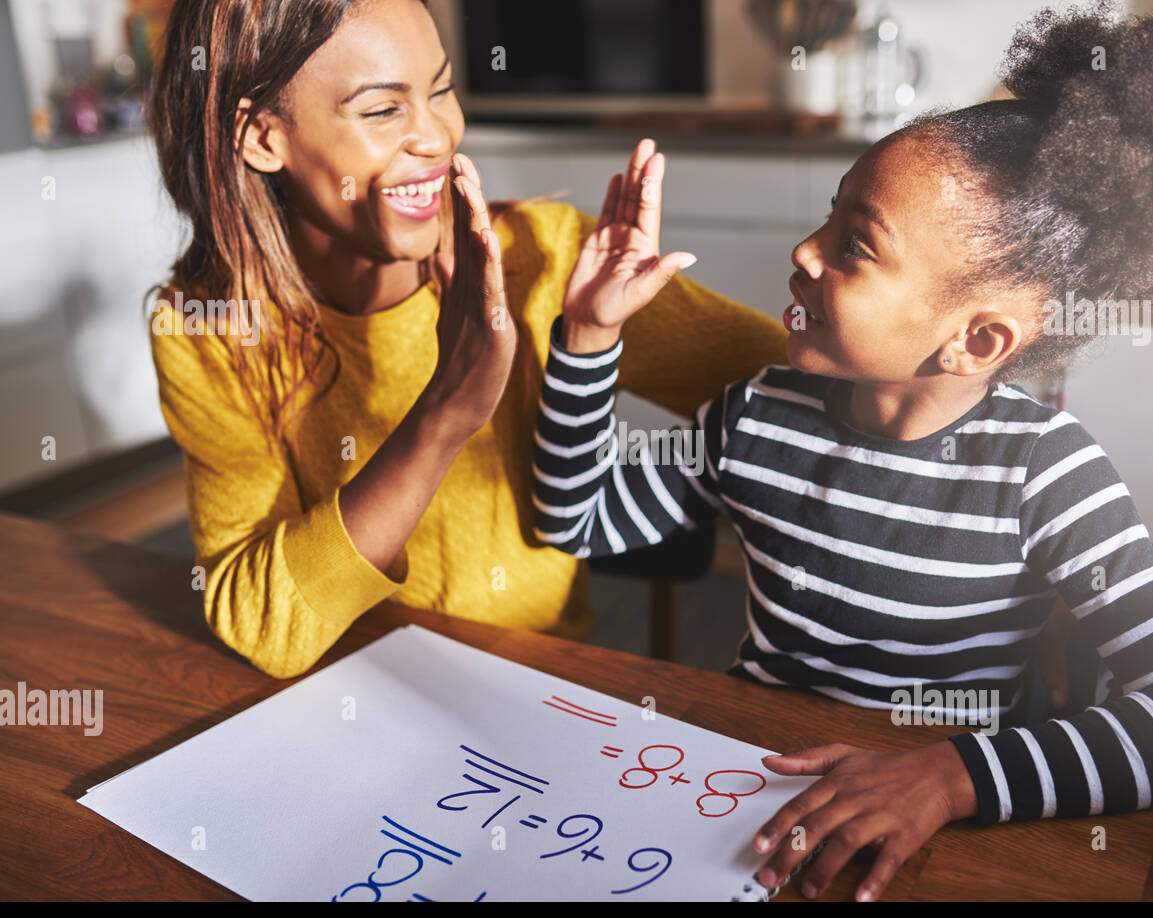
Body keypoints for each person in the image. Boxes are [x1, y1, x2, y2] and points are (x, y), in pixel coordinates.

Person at [531, 4, 1153, 900]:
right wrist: (586, 336)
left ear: (975, 341)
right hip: (753, 783)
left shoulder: (1044, 473)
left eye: (856, 244)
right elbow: (575, 520)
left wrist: (949, 776)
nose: (804, 252)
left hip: (944, 820)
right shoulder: (757, 415)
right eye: (830, 213)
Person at [145, 0, 790, 678]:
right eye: (382, 110)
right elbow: (263, 624)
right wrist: (444, 415)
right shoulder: (210, 327)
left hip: (537, 686)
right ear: (261, 137)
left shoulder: (548, 260)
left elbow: (833, 388)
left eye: (442, 90)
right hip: (340, 688)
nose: (437, 136)